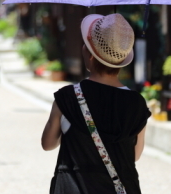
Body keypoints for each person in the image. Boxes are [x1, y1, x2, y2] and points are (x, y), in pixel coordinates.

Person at [41, 14, 150, 194]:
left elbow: (48, 143)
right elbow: (135, 155)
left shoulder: (68, 97)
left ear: (91, 56)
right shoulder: (137, 103)